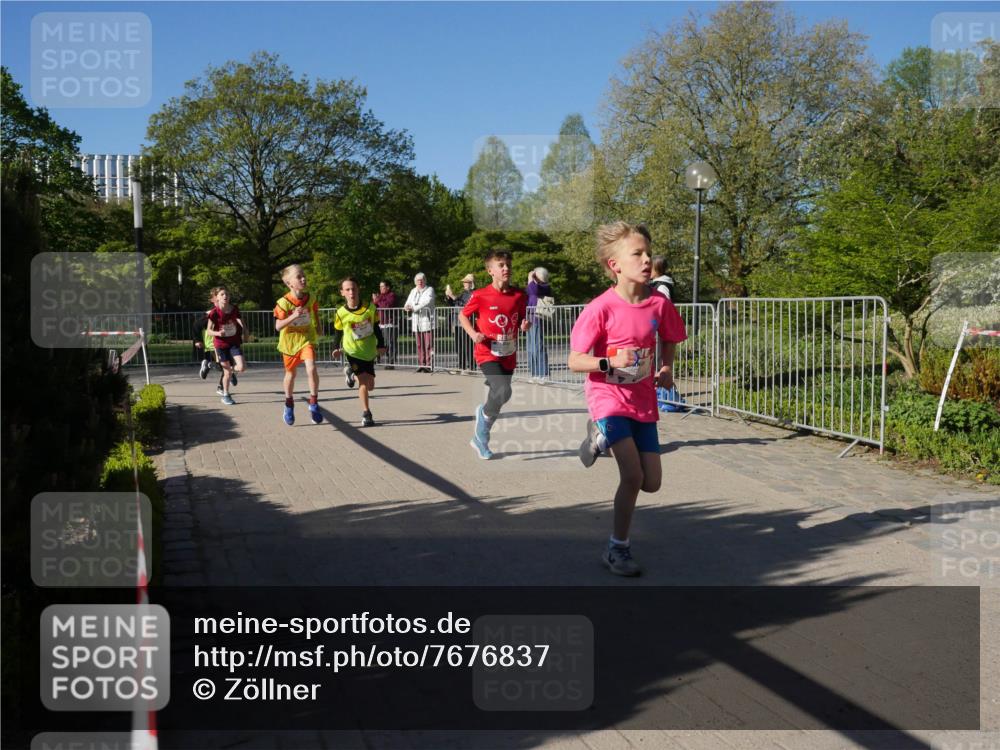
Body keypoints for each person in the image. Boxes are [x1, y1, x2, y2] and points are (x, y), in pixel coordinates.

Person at [569, 222, 686, 576]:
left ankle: (598, 437)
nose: (647, 259)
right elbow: (575, 360)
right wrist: (609, 362)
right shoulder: (600, 308)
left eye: (648, 252)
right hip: (608, 396)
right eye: (637, 253)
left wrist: (666, 368)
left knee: (652, 482)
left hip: (643, 399)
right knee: (632, 477)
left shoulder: (658, 304)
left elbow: (671, 338)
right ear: (614, 264)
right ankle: (617, 548)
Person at [459, 248, 531, 460]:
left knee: (504, 394)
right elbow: (463, 316)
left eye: (508, 264)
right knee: (502, 388)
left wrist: (526, 326)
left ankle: (482, 423)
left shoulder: (520, 295)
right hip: (486, 352)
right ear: (490, 270)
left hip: (508, 353)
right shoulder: (480, 295)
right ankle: (482, 431)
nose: (506, 268)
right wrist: (473, 334)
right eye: (501, 265)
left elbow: (521, 320)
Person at [333, 277, 387, 427]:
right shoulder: (341, 313)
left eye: (354, 289)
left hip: (369, 351)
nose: (351, 292)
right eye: (348, 290)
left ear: (358, 290)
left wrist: (381, 345)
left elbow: (376, 328)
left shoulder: (370, 308)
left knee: (370, 386)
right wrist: (335, 348)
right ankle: (366, 414)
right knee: (362, 381)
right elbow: (337, 332)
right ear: (342, 293)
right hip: (352, 351)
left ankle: (350, 373)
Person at [273, 264, 323, 426]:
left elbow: (315, 313)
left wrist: (319, 328)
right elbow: (278, 326)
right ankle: (289, 404)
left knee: (312, 368)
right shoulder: (283, 302)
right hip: (289, 343)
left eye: (304, 275)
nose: (303, 278)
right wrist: (293, 316)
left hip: (306, 339)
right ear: (289, 283)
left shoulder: (312, 297)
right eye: (299, 277)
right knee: (291, 374)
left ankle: (314, 403)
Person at [206, 287, 245, 406]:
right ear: (217, 297)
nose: (225, 296)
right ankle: (226, 395)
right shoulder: (214, 313)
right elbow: (208, 331)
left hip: (234, 342)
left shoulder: (234, 309)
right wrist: (218, 333)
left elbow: (240, 319)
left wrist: (246, 330)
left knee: (242, 367)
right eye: (222, 294)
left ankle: (230, 371)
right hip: (221, 344)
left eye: (227, 294)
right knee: (226, 372)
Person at [404, 272, 435, 372]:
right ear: (415, 282)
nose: (420, 282)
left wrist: (414, 308)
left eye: (422, 280)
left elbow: (427, 302)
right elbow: (408, 302)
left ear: (425, 280)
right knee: (419, 345)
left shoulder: (429, 289)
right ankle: (421, 364)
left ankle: (429, 365)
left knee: (428, 345)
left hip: (427, 321)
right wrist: (407, 307)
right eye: (418, 280)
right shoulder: (413, 290)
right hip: (416, 322)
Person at [526, 267, 553, 383]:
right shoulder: (535, 285)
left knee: (538, 346)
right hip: (529, 317)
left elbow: (533, 290)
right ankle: (535, 373)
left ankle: (544, 374)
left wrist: (531, 279)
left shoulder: (544, 287)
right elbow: (528, 292)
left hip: (537, 317)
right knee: (531, 348)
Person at [445, 273, 476, 372]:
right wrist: (448, 297)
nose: (464, 284)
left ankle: (471, 367)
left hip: (467, 322)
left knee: (468, 345)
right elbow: (454, 303)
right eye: (464, 282)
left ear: (471, 283)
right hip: (458, 321)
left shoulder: (473, 293)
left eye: (466, 282)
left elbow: (465, 304)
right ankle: (461, 365)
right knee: (459, 345)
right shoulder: (463, 293)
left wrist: (453, 296)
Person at [194, 311, 225, 395]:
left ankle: (208, 365)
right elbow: (197, 324)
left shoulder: (229, 311)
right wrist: (197, 340)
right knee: (225, 367)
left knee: (228, 366)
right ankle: (221, 386)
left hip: (222, 344)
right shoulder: (210, 314)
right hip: (213, 344)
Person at [371, 280, 398, 369]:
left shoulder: (392, 295)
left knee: (390, 343)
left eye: (382, 286)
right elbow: (373, 306)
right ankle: (378, 359)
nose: (380, 288)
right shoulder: (380, 296)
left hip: (390, 323)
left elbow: (386, 306)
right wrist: (375, 300)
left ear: (388, 287)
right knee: (380, 342)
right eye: (380, 286)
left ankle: (391, 362)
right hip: (381, 323)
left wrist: (377, 300)